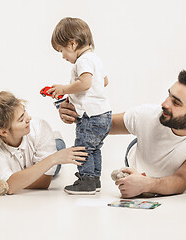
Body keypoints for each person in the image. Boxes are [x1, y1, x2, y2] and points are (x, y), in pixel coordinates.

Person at [58, 69, 186, 198]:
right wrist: (75, 114)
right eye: (169, 95)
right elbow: (101, 125)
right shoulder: (147, 115)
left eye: (176, 102)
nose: (164, 103)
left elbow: (182, 180)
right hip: (139, 155)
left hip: (179, 167)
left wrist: (147, 185)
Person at [0, 91, 87, 194]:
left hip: (48, 143)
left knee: (58, 148)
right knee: (54, 158)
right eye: (21, 119)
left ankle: (56, 143)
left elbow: (45, 182)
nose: (29, 118)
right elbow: (10, 187)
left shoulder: (40, 127)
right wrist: (53, 159)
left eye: (25, 111)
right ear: (3, 132)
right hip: (47, 158)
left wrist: (16, 179)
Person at [47, 17, 112, 195]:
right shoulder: (95, 59)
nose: (63, 56)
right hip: (104, 114)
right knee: (94, 148)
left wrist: (64, 89)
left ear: (73, 43)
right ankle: (95, 178)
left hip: (90, 117)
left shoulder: (82, 61)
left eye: (62, 50)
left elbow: (85, 83)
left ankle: (86, 181)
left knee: (82, 148)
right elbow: (104, 81)